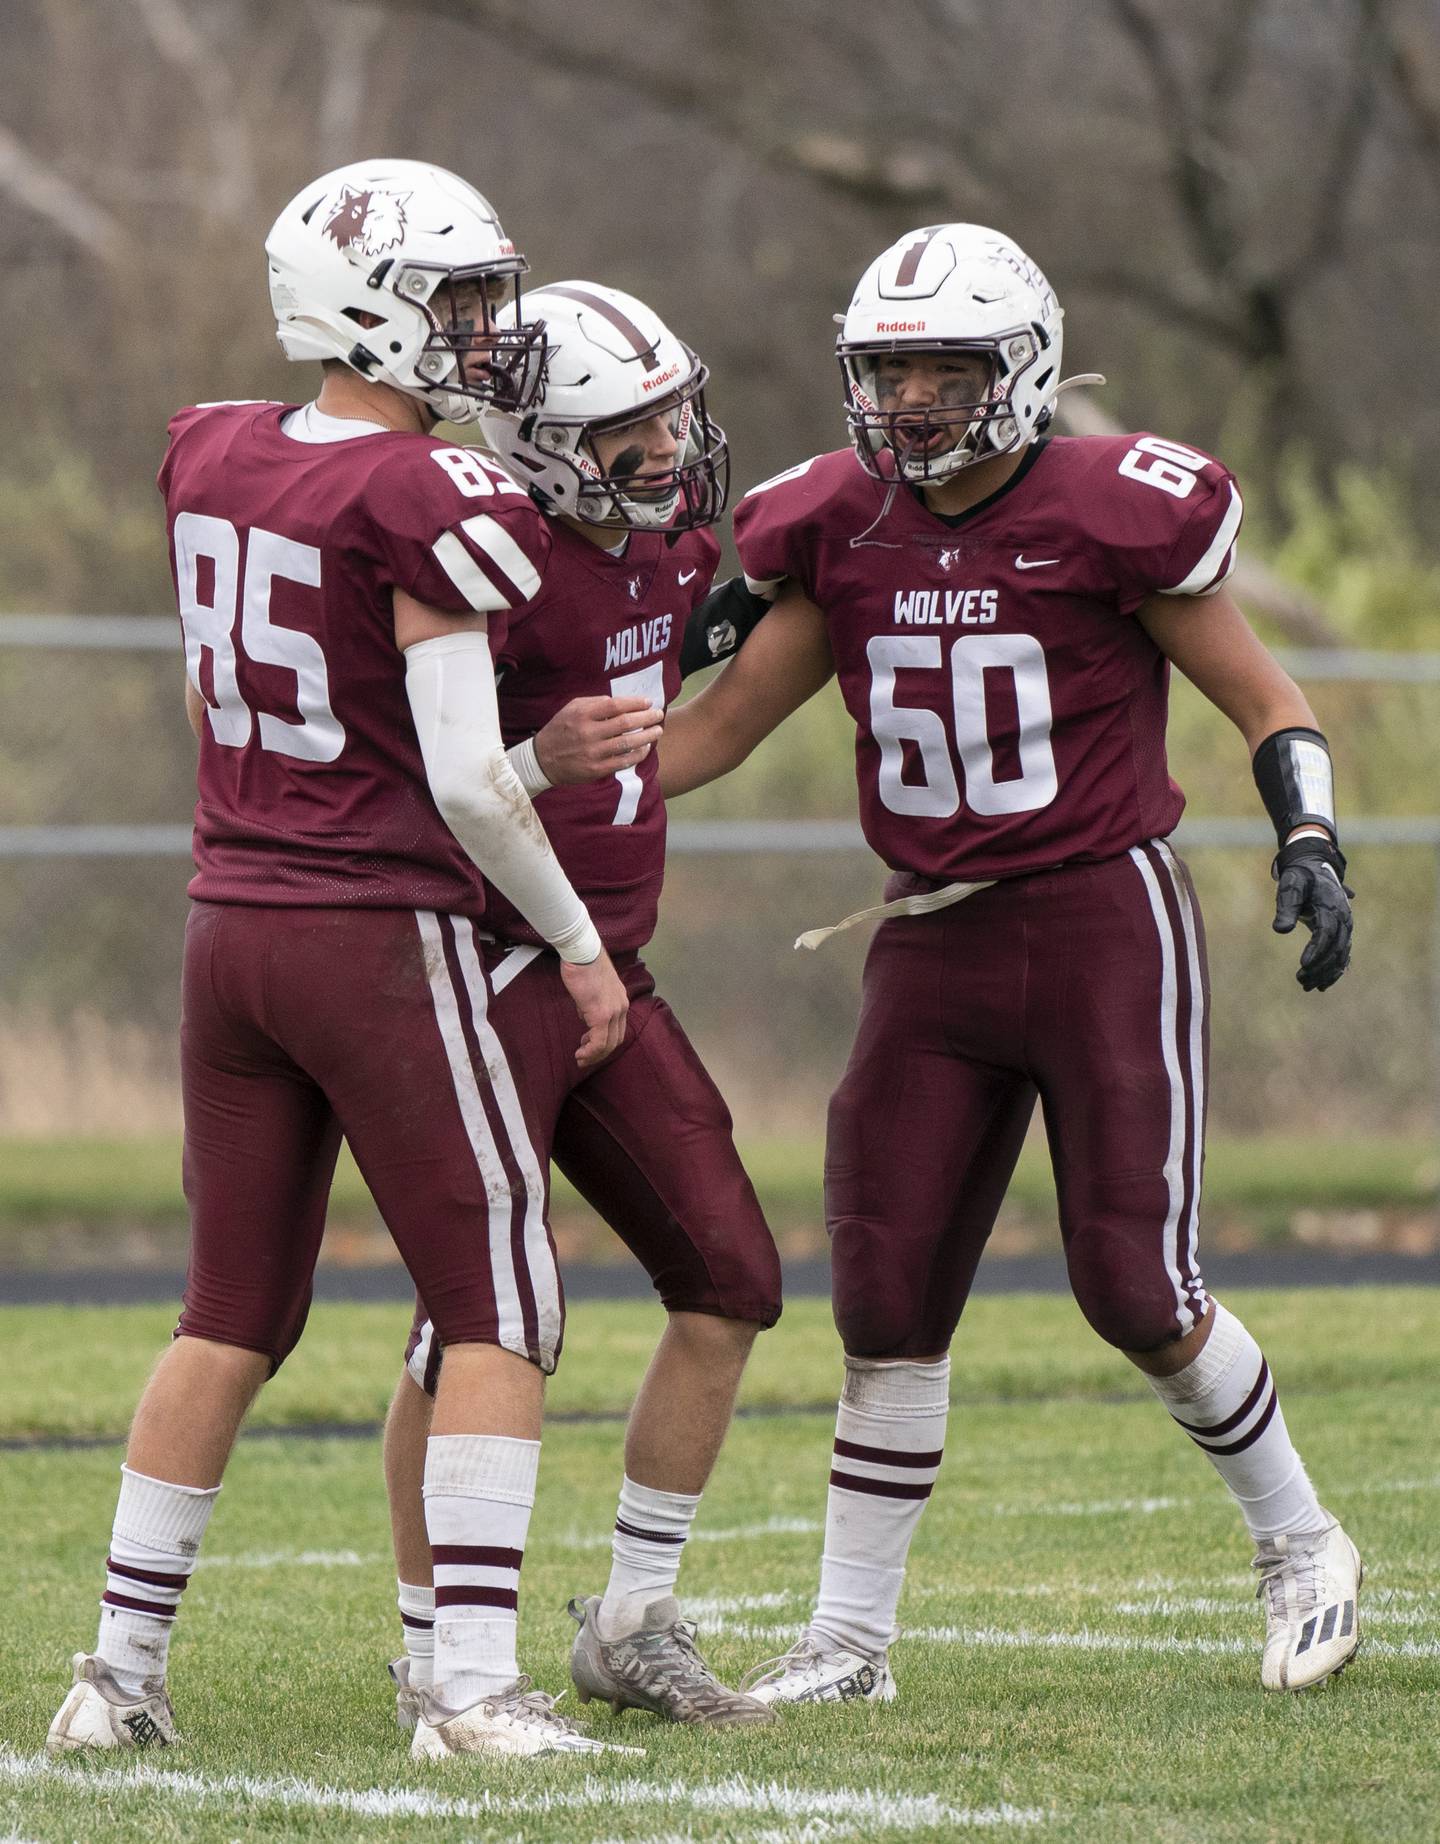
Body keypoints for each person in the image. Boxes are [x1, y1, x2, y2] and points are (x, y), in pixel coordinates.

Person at [656, 223, 1360, 1705]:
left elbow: (1264, 695)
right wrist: (511, 778)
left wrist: (1310, 835)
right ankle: (850, 1645)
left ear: (1025, 368)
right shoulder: (835, 521)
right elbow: (707, 735)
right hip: (927, 938)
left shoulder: (1115, 510)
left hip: (1102, 921)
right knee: (886, 1289)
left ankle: (1303, 1543)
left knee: (1131, 1283)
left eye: (945, 367)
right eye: (887, 367)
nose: (911, 398)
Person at [45, 159, 653, 1763]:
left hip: (226, 922)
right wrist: (584, 947)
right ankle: (466, 1690)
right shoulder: (426, 496)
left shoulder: (216, 449)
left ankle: (114, 1676)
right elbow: (468, 782)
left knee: (230, 1312)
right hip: (370, 928)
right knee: (505, 1297)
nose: (480, 330)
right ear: (367, 304)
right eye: (455, 300)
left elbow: (207, 701)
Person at [381, 280, 780, 1733]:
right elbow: (433, 777)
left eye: (674, 408)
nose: (672, 442)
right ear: (546, 442)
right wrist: (537, 758)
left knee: (732, 1275)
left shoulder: (667, 545)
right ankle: (432, 1644)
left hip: (614, 960)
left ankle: (630, 1618)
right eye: (631, 426)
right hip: (486, 963)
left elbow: (657, 666)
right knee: (469, 1320)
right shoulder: (484, 557)